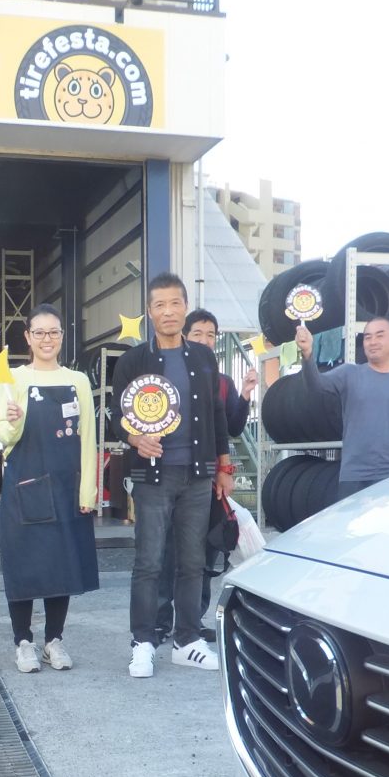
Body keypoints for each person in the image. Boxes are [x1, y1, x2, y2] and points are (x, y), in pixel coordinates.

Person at [111, 273, 234, 678]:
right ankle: (143, 642)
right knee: (148, 562)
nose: (168, 311)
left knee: (193, 561)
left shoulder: (203, 358)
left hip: (197, 474)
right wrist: (135, 438)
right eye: (160, 305)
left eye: (175, 303)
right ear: (150, 312)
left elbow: (217, 416)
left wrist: (223, 467)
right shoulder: (133, 360)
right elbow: (116, 416)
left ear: (185, 307)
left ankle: (187, 640)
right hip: (152, 477)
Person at [0, 304, 98, 674]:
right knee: (23, 565)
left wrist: (88, 491)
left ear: (62, 336)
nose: (46, 339)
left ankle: (54, 640)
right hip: (24, 485)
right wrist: (13, 422)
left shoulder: (78, 381)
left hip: (67, 486)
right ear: (27, 337)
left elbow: (89, 437)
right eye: (39, 332)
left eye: (53, 332)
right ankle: (23, 642)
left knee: (61, 565)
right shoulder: (11, 379)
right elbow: (3, 436)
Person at [155, 308, 257, 644]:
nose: (205, 340)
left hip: (208, 482)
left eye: (211, 335)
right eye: (197, 333)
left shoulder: (222, 381)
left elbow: (232, 428)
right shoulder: (168, 374)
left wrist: (245, 395)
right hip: (170, 476)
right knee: (166, 551)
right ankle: (159, 621)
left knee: (203, 553)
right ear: (184, 336)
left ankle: (193, 620)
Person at [296, 317, 389, 500]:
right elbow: (316, 386)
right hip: (354, 476)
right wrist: (307, 354)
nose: (372, 342)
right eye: (368, 337)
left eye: (379, 335)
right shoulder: (349, 373)